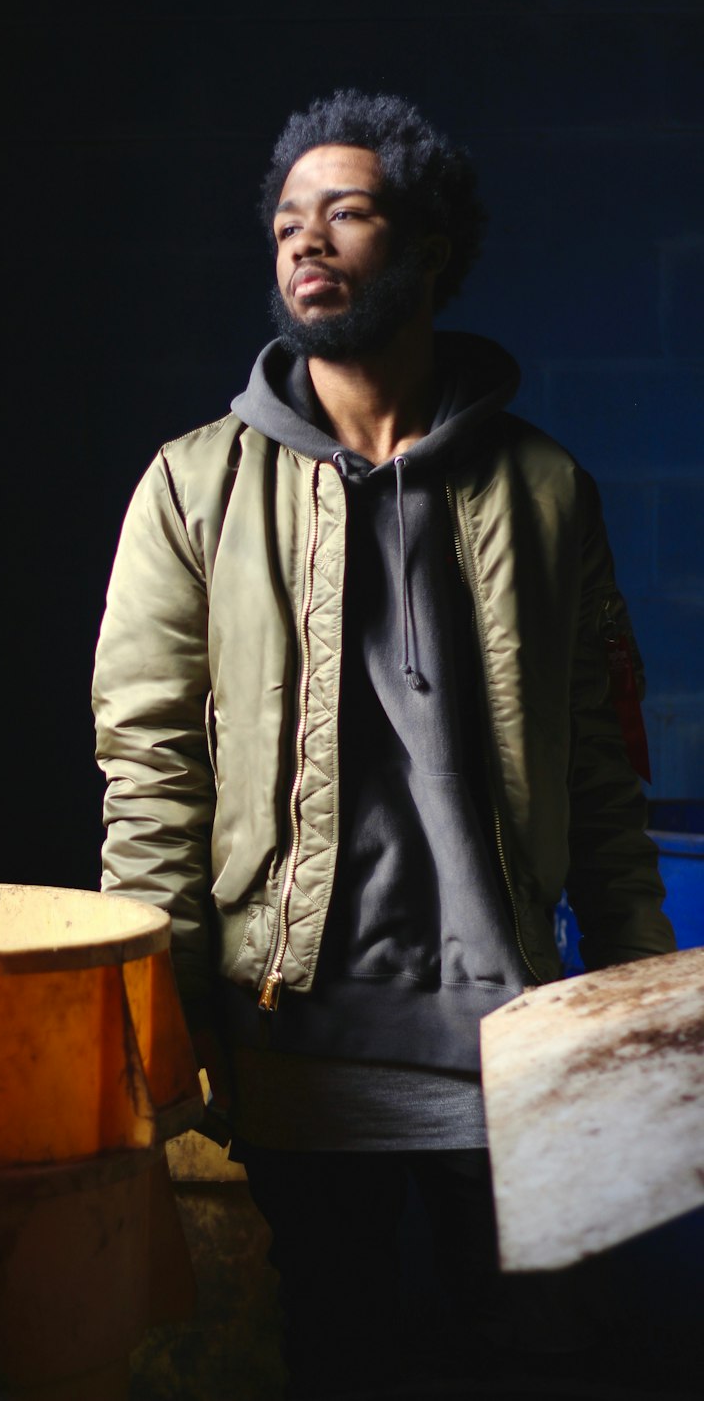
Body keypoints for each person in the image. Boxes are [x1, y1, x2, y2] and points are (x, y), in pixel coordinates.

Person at [92, 90, 675, 1398]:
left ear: (429, 247)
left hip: (507, 1033)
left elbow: (601, 785)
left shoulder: (544, 487)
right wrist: (156, 1034)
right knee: (334, 1358)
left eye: (347, 212)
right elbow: (151, 782)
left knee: (535, 1366)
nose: (309, 240)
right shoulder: (194, 485)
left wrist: (643, 1043)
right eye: (290, 220)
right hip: (293, 1040)